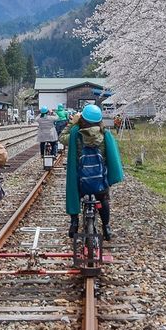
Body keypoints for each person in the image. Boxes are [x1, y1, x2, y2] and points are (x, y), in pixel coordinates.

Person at [62, 103, 123, 241]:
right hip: (99, 179)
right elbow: (111, 157)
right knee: (103, 198)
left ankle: (74, 222)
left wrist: (72, 123)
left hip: (80, 180)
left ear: (82, 118)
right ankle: (106, 227)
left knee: (75, 194)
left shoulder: (75, 133)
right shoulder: (105, 133)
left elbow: (62, 137)